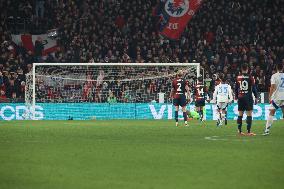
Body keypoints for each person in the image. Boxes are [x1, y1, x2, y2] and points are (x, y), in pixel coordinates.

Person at [235, 63, 258, 136]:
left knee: (240, 114)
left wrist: (236, 96)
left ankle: (239, 131)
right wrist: (256, 97)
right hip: (248, 97)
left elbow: (236, 88)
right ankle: (248, 132)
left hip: (240, 97)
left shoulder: (238, 77)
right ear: (247, 69)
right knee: (249, 114)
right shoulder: (251, 77)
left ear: (241, 69)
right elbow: (254, 88)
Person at [263, 64, 284, 135]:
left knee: (272, 112)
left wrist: (269, 96)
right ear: (282, 68)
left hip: (277, 97)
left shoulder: (274, 76)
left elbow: (272, 87)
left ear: (276, 68)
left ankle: (267, 130)